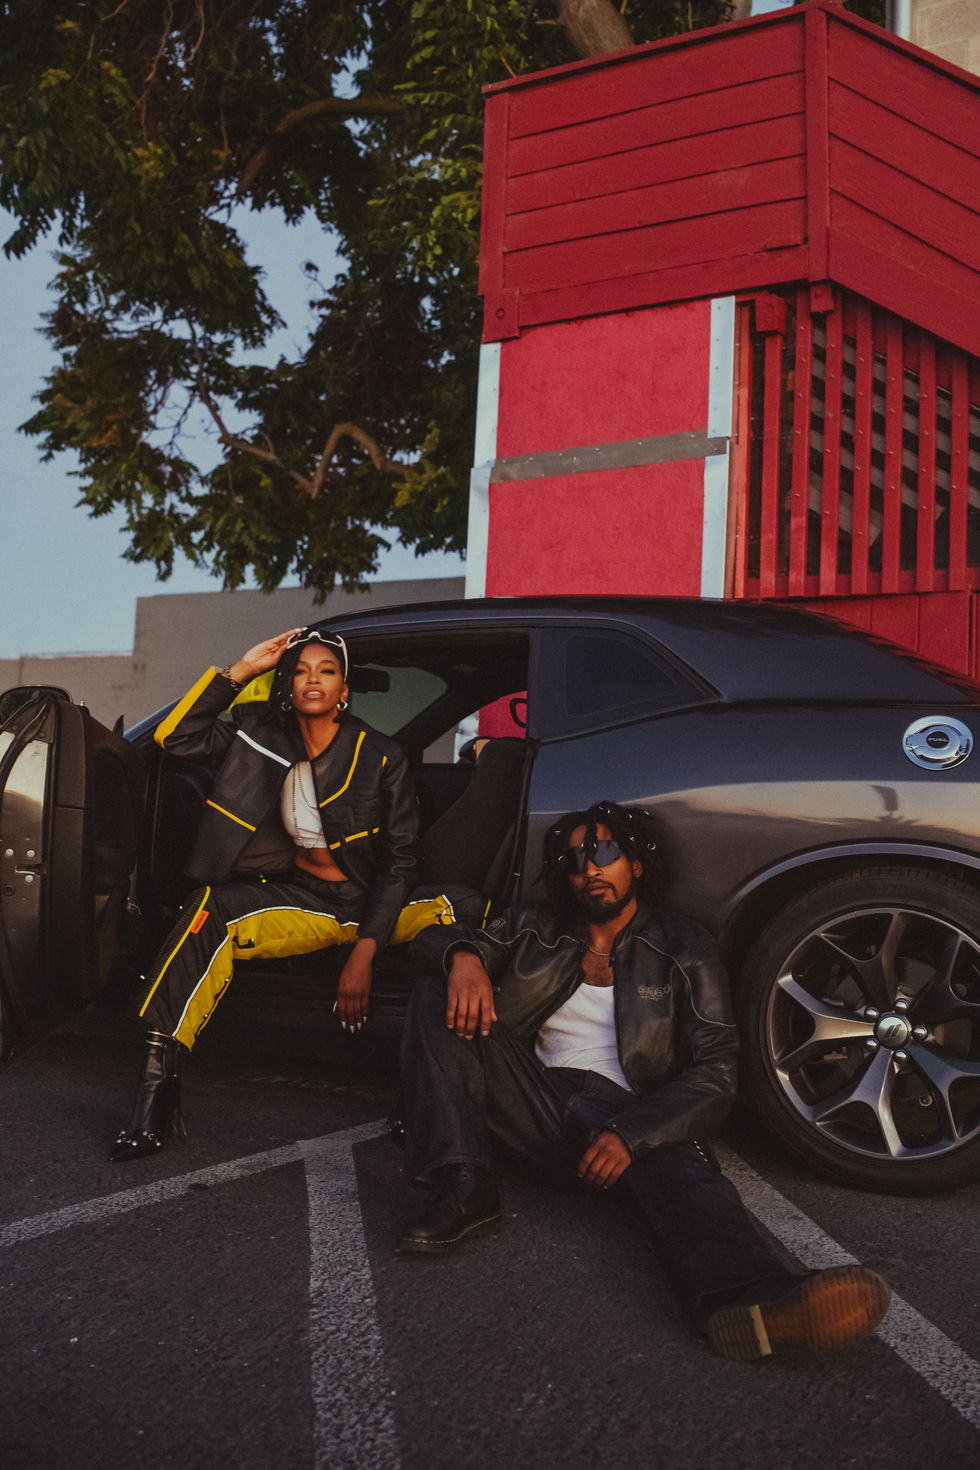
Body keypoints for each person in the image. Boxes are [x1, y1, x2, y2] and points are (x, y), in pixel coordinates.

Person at [395, 801, 891, 1361]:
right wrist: (462, 954)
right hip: (531, 1103)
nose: (590, 869)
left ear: (636, 862)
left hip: (627, 1120)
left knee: (689, 1182)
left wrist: (636, 1133)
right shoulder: (535, 926)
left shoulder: (685, 946)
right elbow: (429, 942)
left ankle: (756, 1304)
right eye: (574, 859)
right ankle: (464, 1183)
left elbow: (716, 1069)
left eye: (604, 852)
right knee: (435, 990)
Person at [111, 625, 476, 1162]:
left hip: (373, 903)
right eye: (301, 670)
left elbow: (401, 863)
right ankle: (153, 1101)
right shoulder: (259, 736)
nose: (313, 679)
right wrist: (242, 671)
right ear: (287, 685)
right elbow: (176, 738)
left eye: (326, 671)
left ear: (344, 689)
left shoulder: (381, 755)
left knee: (468, 908)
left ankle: (435, 1097)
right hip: (306, 901)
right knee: (208, 913)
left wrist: (366, 950)